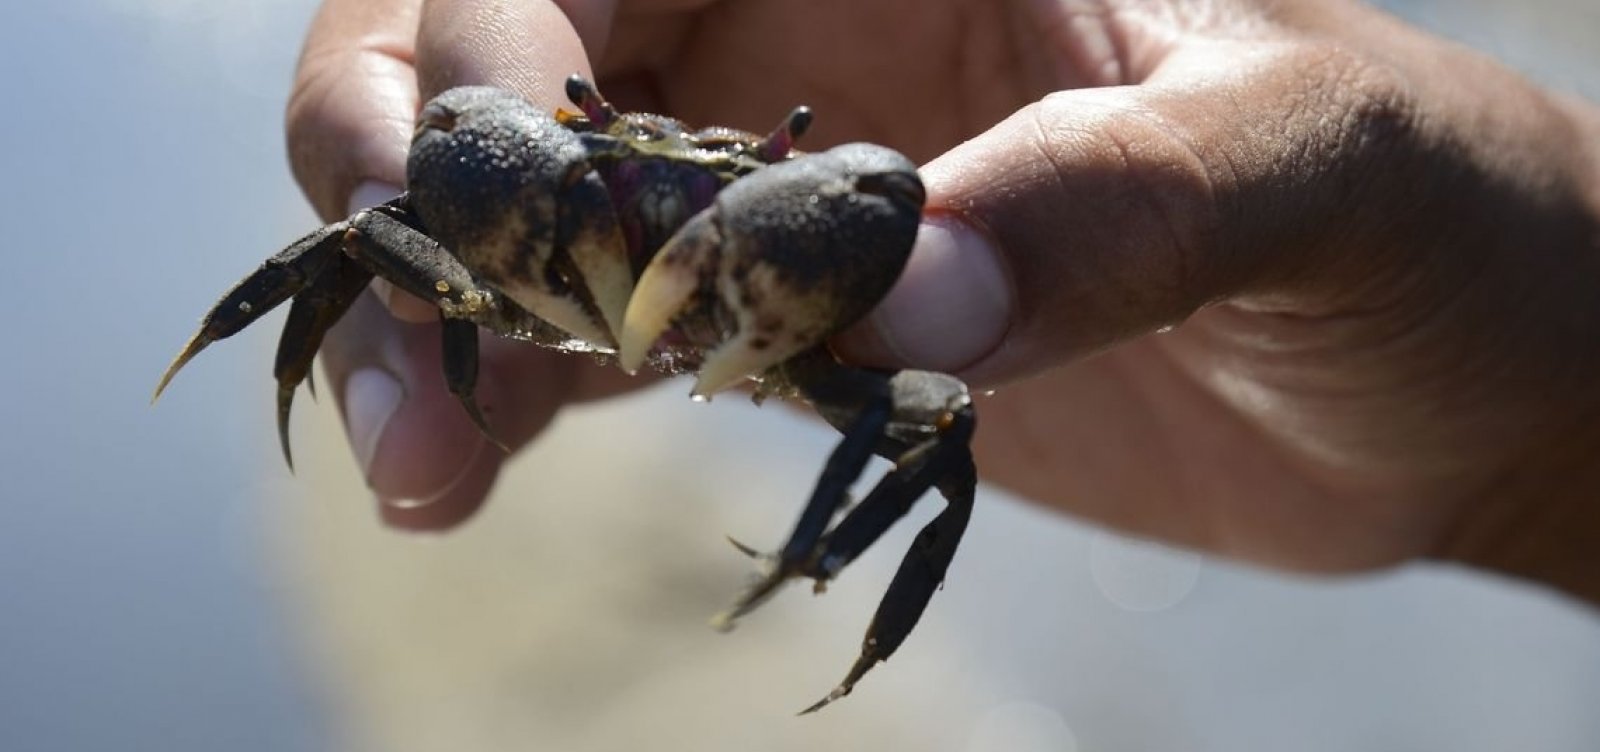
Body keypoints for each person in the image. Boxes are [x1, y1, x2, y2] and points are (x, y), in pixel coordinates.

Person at [286, 0, 1600, 606]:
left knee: (935, 436)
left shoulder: (843, 262)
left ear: (782, 181)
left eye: (756, 184)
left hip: (815, 335)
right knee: (373, 211)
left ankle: (815, 562)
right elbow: (410, 180)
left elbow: (925, 419)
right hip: (550, 276)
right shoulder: (551, 201)